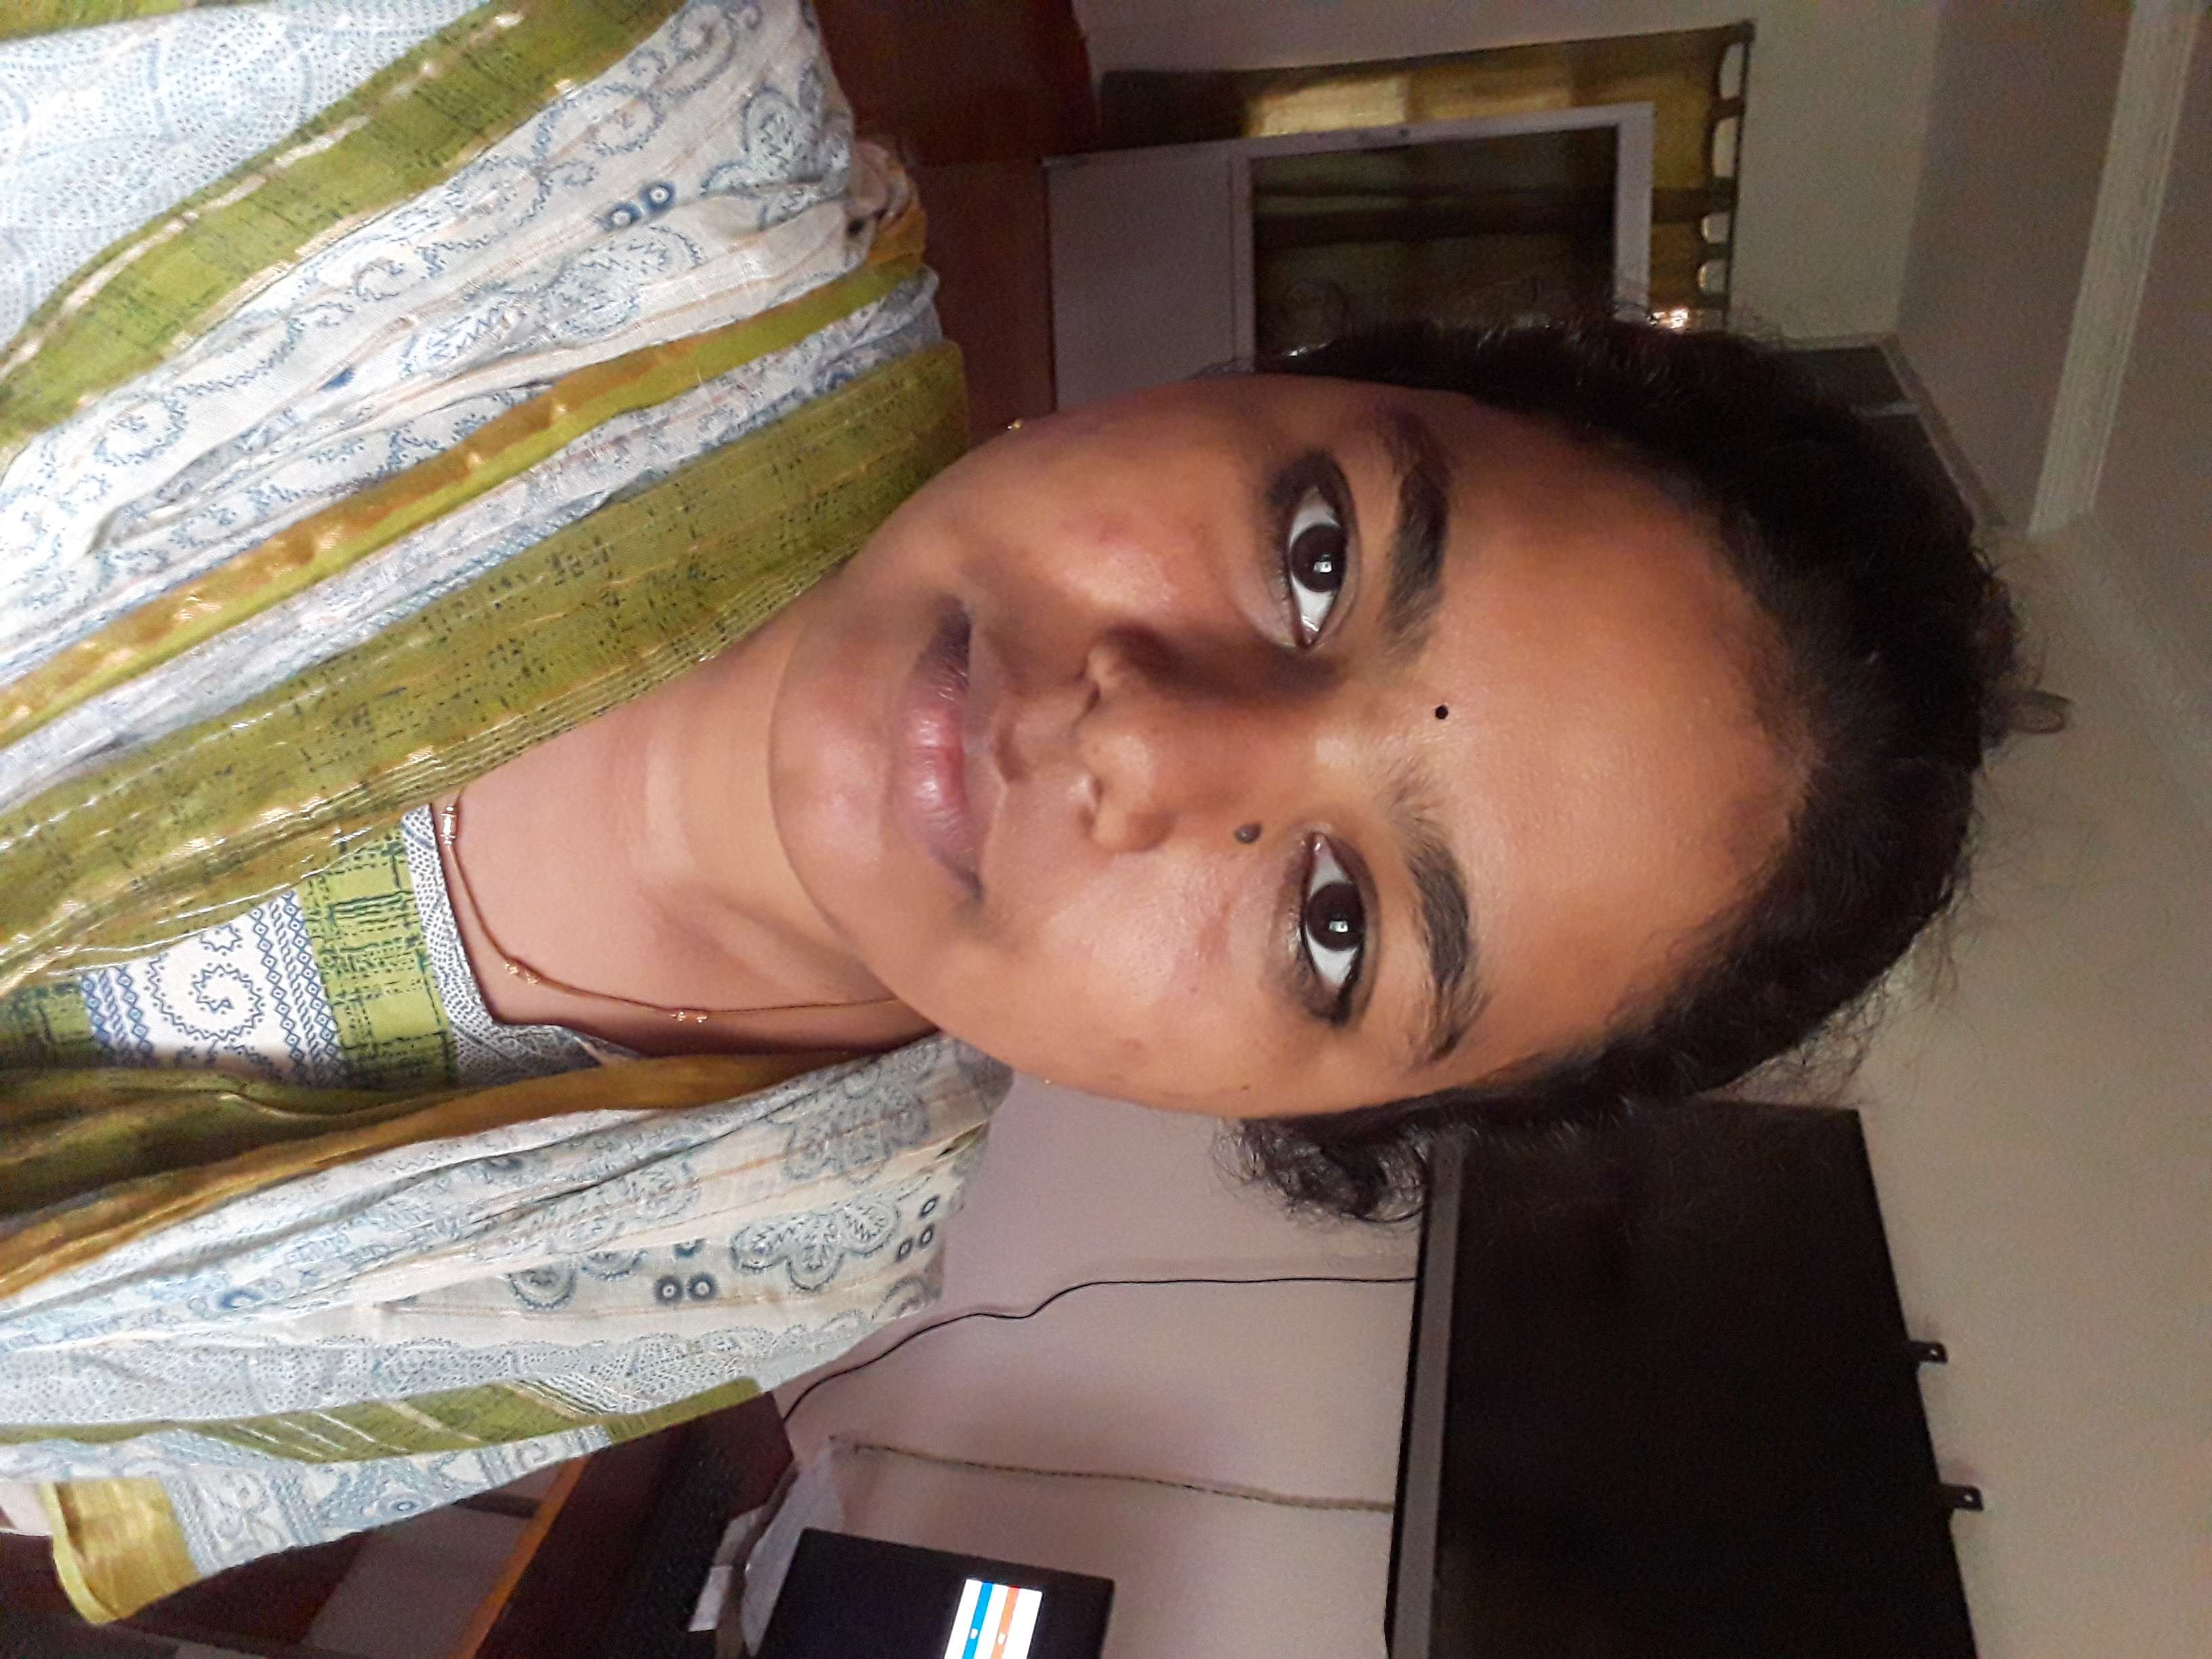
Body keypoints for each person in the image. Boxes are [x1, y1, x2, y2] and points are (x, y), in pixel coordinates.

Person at [0, 0, 2032, 1620]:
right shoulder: (556, 87)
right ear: (1242, 383)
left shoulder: (785, 1257)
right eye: (1316, 556)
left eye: (1339, 926)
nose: (1148, 746)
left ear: (1306, 1116)